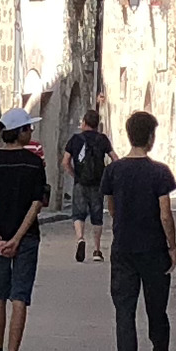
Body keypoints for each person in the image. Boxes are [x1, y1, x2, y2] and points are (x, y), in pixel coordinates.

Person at [101, 109, 176, 351]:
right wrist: (172, 246)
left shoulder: (114, 171)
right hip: (153, 249)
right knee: (157, 309)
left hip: (123, 248)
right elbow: (165, 214)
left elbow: (110, 206)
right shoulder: (159, 172)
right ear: (149, 137)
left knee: (125, 310)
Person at [0, 109, 53, 351]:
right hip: (27, 238)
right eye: (28, 129)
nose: (31, 133)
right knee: (19, 298)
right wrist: (18, 237)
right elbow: (36, 204)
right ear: (19, 132)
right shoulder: (34, 164)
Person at [63, 103, 112, 261]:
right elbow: (115, 158)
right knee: (97, 217)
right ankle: (97, 250)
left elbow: (65, 162)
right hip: (98, 183)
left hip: (80, 182)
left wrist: (74, 174)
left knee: (78, 214)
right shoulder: (102, 139)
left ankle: (80, 238)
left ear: (84, 122)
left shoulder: (75, 140)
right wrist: (108, 175)